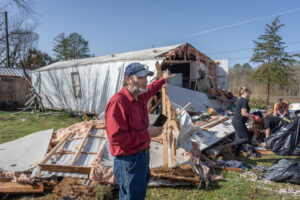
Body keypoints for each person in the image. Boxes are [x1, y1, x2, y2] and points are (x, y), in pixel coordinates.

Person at [105, 62, 175, 200]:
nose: (145, 81)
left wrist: (163, 79)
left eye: (146, 77)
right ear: (128, 80)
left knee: (137, 195)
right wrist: (147, 133)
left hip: (142, 157)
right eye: (140, 78)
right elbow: (116, 138)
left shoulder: (140, 96)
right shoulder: (118, 102)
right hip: (128, 161)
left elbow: (152, 88)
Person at [226, 87, 260, 156]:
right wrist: (253, 116)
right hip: (239, 121)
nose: (250, 94)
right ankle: (230, 145)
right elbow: (243, 113)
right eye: (249, 92)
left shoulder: (240, 100)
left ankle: (237, 155)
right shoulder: (244, 101)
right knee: (245, 139)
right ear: (245, 92)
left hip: (237, 121)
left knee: (241, 139)